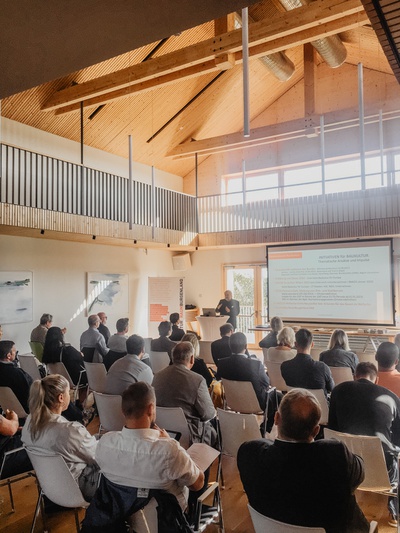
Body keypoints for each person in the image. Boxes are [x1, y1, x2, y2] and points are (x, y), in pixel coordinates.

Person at [237, 388, 369, 533]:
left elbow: (267, 445)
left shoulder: (248, 454)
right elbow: (359, 474)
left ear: (276, 418)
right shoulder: (335, 455)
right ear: (316, 431)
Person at [95, 381, 204, 512]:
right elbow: (197, 484)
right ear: (151, 409)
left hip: (118, 515)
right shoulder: (169, 451)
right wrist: (171, 442)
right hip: (166, 517)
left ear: (123, 411)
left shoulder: (105, 443)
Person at [328, 362, 400, 524]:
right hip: (383, 472)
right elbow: (397, 439)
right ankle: (393, 508)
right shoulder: (392, 397)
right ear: (376, 380)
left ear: (355, 376)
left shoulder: (338, 391)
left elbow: (333, 429)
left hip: (346, 465)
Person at [21, 374, 99, 501]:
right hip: (78, 488)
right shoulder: (69, 430)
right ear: (61, 397)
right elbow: (98, 457)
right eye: (68, 392)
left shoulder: (30, 423)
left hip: (49, 488)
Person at [153, 341, 216, 445]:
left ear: (173, 357)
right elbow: (209, 414)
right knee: (213, 429)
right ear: (192, 358)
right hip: (189, 435)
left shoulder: (157, 377)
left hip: (161, 431)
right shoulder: (197, 380)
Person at [216, 332, 272, 412]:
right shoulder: (256, 364)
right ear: (246, 346)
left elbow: (218, 379)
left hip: (232, 402)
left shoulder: (222, 363)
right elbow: (266, 382)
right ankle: (268, 420)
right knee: (278, 396)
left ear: (229, 346)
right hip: (256, 403)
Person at [281, 328, 334, 396]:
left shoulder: (285, 366)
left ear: (295, 344)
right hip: (318, 402)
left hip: (295, 402)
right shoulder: (322, 368)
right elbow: (331, 388)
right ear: (312, 345)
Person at [0, 340, 33, 414]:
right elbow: (30, 391)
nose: (16, 353)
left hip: (7, 410)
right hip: (26, 408)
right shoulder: (17, 373)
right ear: (9, 356)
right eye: (15, 351)